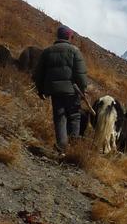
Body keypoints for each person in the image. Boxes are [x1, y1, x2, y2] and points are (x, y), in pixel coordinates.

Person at [32, 25, 88, 154]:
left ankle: (62, 147)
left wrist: (40, 90)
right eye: (72, 36)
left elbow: (39, 74)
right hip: (72, 91)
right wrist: (83, 89)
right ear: (69, 36)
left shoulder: (47, 51)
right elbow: (80, 74)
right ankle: (73, 148)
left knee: (59, 117)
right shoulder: (74, 51)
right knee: (74, 116)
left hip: (55, 92)